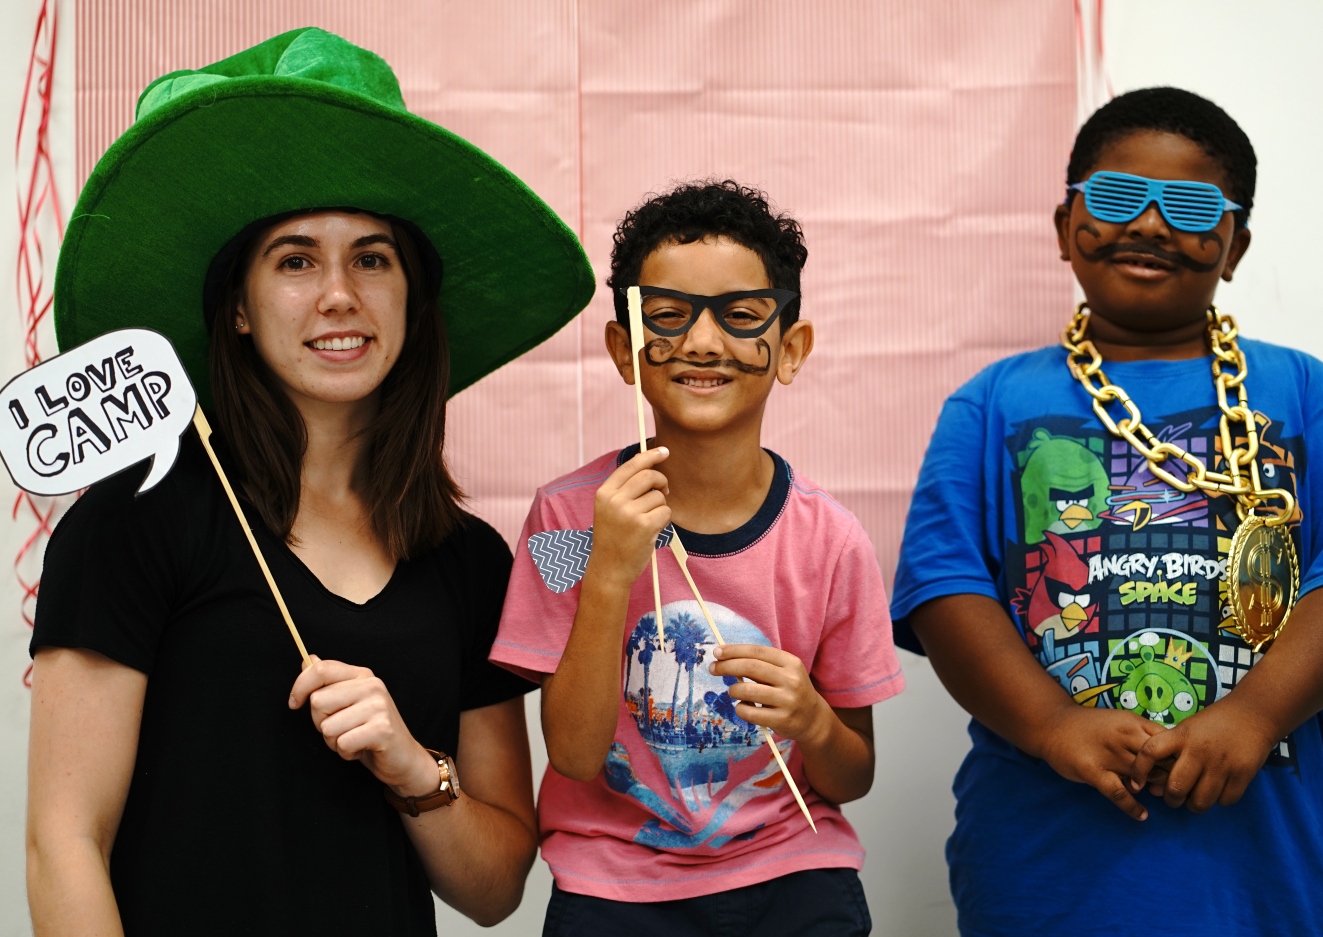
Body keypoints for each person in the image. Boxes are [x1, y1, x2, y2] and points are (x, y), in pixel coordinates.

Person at [25, 28, 593, 936]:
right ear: (240, 309)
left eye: (373, 257)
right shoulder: (135, 521)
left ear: (411, 297)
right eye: (295, 260)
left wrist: (414, 767)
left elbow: (494, 890)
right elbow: (64, 842)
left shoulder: (468, 560)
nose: (340, 294)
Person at [892, 86, 1323, 936]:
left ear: (1235, 246)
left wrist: (1256, 711)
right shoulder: (990, 405)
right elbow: (946, 588)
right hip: (1044, 870)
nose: (1151, 225)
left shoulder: (1309, 394)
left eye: (1193, 206)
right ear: (1065, 227)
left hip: (1266, 875)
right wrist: (1052, 722)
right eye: (1117, 198)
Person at [490, 181, 903, 935]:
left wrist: (812, 717)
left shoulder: (833, 538)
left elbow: (855, 774)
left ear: (791, 347)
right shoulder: (561, 519)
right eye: (668, 316)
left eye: (741, 315)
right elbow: (575, 755)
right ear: (625, 350)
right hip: (610, 884)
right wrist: (610, 570)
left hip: (792, 872)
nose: (704, 343)